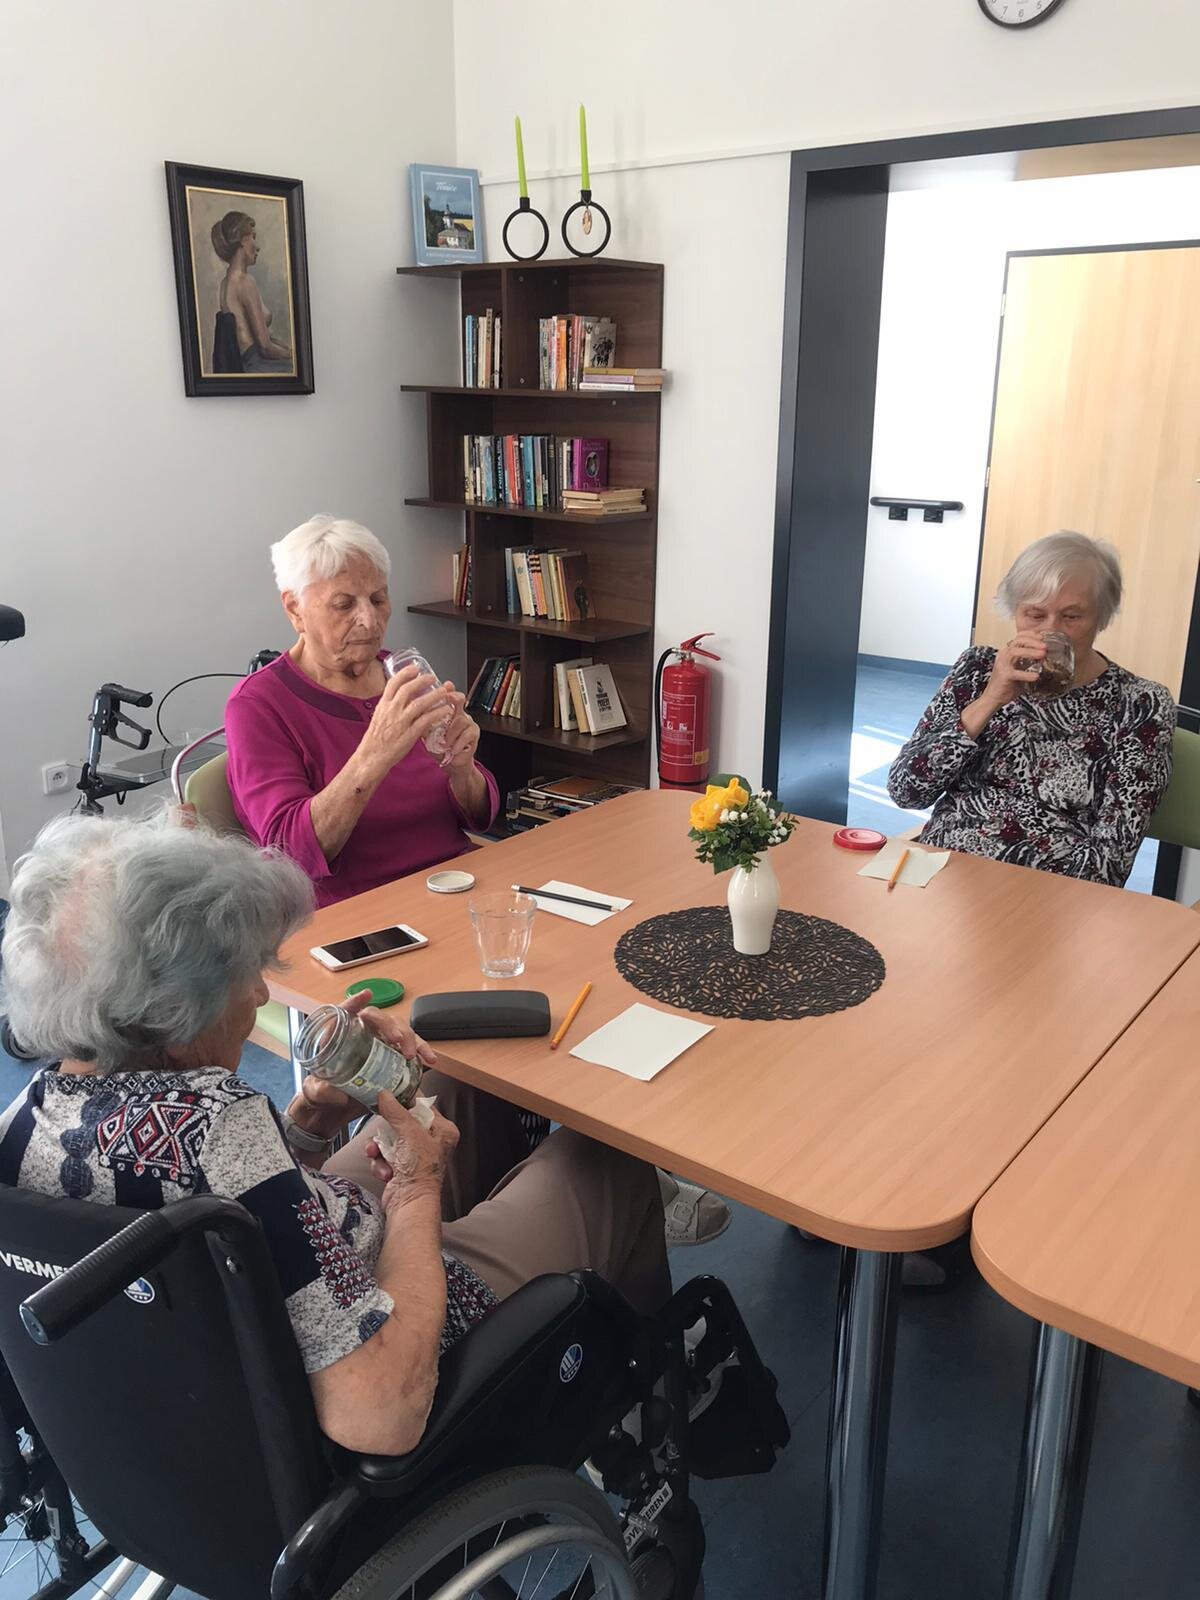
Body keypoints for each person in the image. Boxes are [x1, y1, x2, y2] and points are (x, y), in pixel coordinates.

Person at [0, 812, 669, 1458]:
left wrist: (311, 1121)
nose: (260, 996)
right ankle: (648, 1389)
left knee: (453, 1088)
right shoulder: (216, 1125)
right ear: (173, 1013)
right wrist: (417, 1189)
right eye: (243, 976)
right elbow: (381, 1414)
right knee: (605, 1159)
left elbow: (228, 1203)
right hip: (405, 1349)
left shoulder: (24, 1122)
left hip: (219, 1370)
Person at [225, 515, 499, 909]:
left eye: (378, 599)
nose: (369, 621)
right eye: (344, 604)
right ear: (295, 609)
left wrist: (463, 770)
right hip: (354, 913)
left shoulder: (402, 673)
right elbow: (289, 854)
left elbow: (481, 816)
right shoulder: (257, 706)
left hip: (452, 885)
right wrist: (375, 754)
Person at [888, 531, 1175, 889]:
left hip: (1044, 894)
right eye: (1035, 614)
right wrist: (989, 699)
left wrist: (1007, 892)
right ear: (1015, 611)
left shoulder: (1140, 704)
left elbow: (1110, 864)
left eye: (1072, 616)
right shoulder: (977, 669)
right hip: (943, 874)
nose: (1051, 632)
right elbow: (906, 790)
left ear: (1102, 618)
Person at [209, 209, 293, 375]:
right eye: (253, 237)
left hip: (245, 364)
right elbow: (265, 348)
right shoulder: (245, 282)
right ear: (242, 240)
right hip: (256, 365)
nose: (258, 247)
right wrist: (293, 355)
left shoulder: (225, 283)